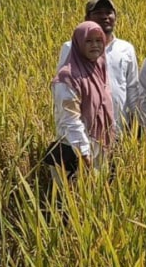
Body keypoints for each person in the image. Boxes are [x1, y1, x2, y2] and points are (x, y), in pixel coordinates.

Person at [58, 0, 141, 133]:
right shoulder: (72, 47)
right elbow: (64, 89)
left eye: (109, 12)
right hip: (84, 131)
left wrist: (137, 123)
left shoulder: (125, 48)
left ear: (115, 17)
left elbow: (132, 88)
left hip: (118, 129)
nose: (105, 17)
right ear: (87, 18)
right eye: (98, 13)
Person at [45, 21, 116, 179]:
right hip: (76, 151)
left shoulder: (98, 69)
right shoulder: (67, 77)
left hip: (98, 147)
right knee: (73, 200)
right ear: (78, 43)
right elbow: (70, 119)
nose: (95, 45)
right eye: (88, 41)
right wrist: (84, 154)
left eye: (98, 40)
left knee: (96, 198)